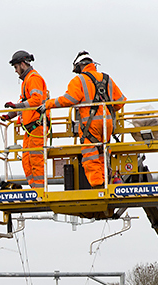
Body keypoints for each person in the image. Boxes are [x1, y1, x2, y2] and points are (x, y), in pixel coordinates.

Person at [39, 51, 126, 188]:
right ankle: (105, 183)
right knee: (103, 153)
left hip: (90, 125)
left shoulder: (79, 80)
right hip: (107, 123)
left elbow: (70, 99)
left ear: (79, 67)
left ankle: (98, 185)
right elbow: (120, 102)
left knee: (90, 156)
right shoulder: (107, 78)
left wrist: (48, 104)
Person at [1, 50, 49, 189]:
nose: (15, 71)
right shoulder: (27, 81)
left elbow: (36, 100)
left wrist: (16, 106)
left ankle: (39, 191)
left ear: (22, 64)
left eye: (16, 67)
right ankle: (35, 189)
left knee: (36, 161)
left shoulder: (33, 78)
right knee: (27, 161)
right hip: (30, 129)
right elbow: (25, 102)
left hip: (37, 127)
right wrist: (10, 115)